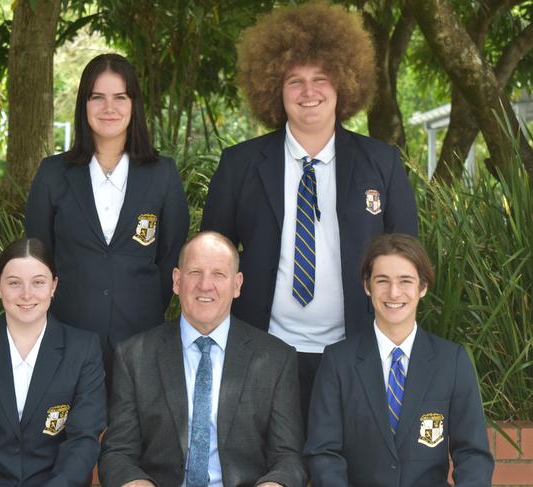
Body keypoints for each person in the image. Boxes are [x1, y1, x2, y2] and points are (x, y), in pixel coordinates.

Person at [201, 1, 419, 424]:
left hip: (355, 350)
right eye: (294, 81)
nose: (308, 92)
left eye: (321, 79)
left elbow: (406, 254)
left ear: (345, 84)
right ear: (273, 89)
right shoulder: (240, 165)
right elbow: (213, 259)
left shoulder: (382, 163)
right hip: (263, 351)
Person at [25, 53, 190, 387]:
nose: (108, 108)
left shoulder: (163, 174)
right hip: (68, 338)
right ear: (84, 104)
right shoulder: (53, 174)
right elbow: (39, 257)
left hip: (141, 338)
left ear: (134, 104)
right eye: (97, 97)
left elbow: (171, 252)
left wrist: (142, 303)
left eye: (120, 97)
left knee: (133, 437)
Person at [99, 231, 306, 487]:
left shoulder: (276, 359)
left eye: (219, 274)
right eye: (195, 272)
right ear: (176, 281)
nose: (205, 285)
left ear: (237, 285)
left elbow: (288, 457)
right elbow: (118, 453)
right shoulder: (134, 356)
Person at [304, 233, 494, 486]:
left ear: (422, 287)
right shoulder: (338, 362)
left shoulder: (452, 362)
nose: (394, 293)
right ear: (367, 286)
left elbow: (473, 454)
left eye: (406, 281)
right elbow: (323, 452)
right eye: (382, 281)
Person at [0, 238, 107, 487]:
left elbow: (83, 440)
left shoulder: (83, 349)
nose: (26, 294)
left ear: (53, 286)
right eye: (14, 283)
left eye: (38, 282)